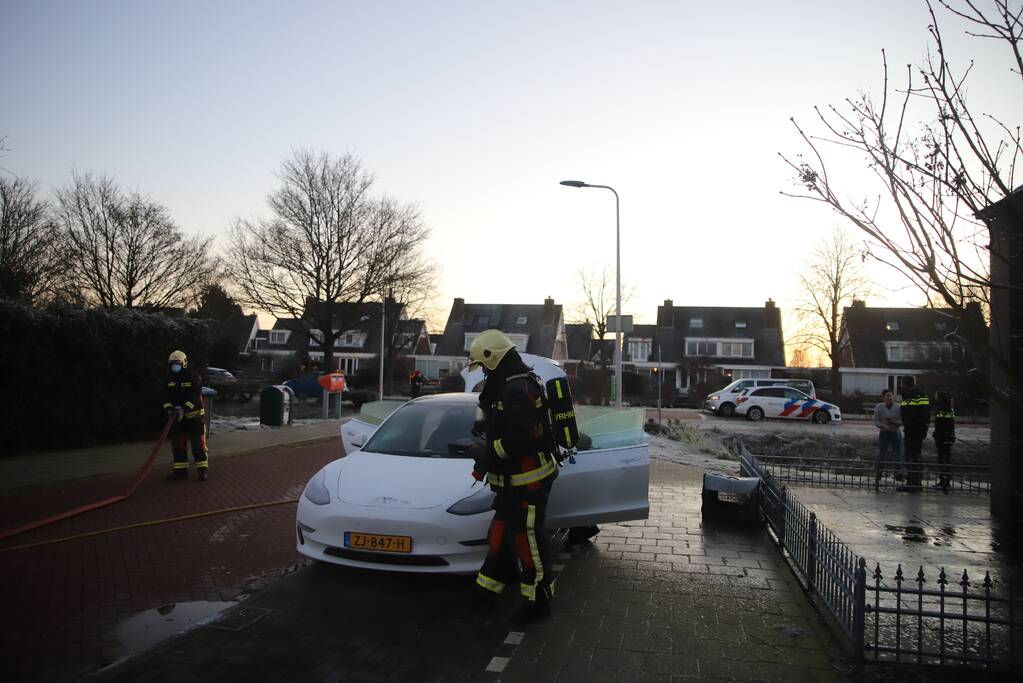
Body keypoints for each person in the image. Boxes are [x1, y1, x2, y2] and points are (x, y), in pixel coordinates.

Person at [466, 329, 558, 626]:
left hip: (528, 482)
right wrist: (483, 430)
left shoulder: (517, 389)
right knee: (499, 537)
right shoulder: (506, 384)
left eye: (483, 365)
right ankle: (486, 592)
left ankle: (538, 602)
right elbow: (501, 423)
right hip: (511, 483)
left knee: (528, 541)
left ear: (494, 359)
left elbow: (521, 438)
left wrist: (487, 452)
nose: (482, 371)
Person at [162, 350, 209, 481]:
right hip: (177, 417)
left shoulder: (193, 377)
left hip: (194, 416)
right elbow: (165, 397)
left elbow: (195, 397)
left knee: (198, 445)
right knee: (178, 445)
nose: (175, 367)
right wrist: (169, 408)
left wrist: (185, 409)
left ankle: (202, 471)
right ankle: (180, 472)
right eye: (172, 364)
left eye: (177, 364)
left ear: (184, 364)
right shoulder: (169, 379)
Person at [899, 376, 930, 491]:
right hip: (918, 431)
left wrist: (909, 427)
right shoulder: (921, 395)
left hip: (912, 432)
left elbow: (910, 415)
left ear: (906, 384)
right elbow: (925, 414)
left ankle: (912, 483)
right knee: (916, 455)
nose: (901, 386)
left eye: (902, 384)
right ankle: (916, 482)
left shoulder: (911, 396)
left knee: (911, 456)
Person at [873, 389, 903, 485]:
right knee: (881, 453)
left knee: (898, 453)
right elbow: (876, 421)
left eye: (890, 395)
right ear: (883, 397)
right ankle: (878, 473)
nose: (889, 397)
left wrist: (894, 422)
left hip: (895, 432)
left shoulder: (898, 407)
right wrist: (883, 426)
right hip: (884, 432)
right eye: (887, 395)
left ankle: (898, 473)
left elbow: (902, 421)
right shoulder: (879, 407)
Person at [932, 391, 956, 492]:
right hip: (948, 437)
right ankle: (947, 480)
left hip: (941, 438)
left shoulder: (940, 408)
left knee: (942, 459)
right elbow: (951, 424)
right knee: (947, 458)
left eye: (936, 396)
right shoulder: (949, 408)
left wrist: (936, 434)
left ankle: (943, 481)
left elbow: (940, 424)